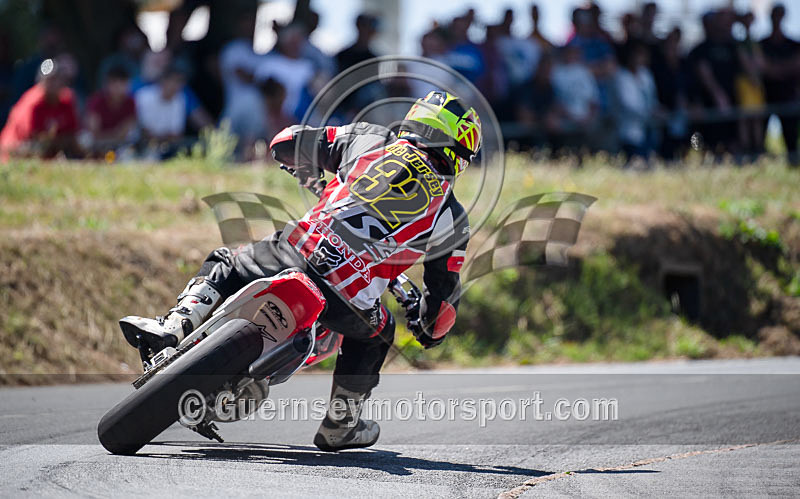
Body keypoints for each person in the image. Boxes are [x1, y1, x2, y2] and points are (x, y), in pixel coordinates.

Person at [118, 91, 481, 451]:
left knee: (226, 262)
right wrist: (427, 326)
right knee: (380, 332)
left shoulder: (371, 139)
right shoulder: (452, 215)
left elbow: (286, 141)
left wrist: (306, 169)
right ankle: (341, 423)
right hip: (349, 298)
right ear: (454, 149)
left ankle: (174, 325)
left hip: (294, 251)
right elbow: (442, 308)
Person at [1, 58, 80, 161]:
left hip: (49, 150)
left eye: (57, 79)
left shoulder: (67, 100)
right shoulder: (34, 103)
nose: (54, 84)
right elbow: (33, 139)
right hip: (15, 149)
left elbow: (72, 135)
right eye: (50, 80)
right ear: (41, 82)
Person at [134, 64, 212, 158]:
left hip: (165, 149)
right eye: (174, 81)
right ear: (163, 81)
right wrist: (161, 137)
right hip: (138, 146)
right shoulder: (143, 96)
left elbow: (176, 135)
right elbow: (143, 130)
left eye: (180, 82)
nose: (176, 86)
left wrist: (159, 138)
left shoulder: (180, 99)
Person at [760, 4, 800, 166]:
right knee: (759, 137)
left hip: (788, 98)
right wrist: (783, 68)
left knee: (791, 139)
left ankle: (793, 165)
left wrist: (774, 69)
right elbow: (761, 67)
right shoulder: (762, 44)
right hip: (765, 98)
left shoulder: (793, 44)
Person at [85, 65, 136, 155]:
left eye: (122, 83)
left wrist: (108, 136)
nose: (118, 87)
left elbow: (125, 132)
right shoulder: (97, 100)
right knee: (84, 140)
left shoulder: (130, 102)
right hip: (95, 144)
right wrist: (115, 134)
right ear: (107, 84)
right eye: (114, 83)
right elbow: (94, 132)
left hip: (119, 145)